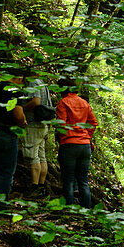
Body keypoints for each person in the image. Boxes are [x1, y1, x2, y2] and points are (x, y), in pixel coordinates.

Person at [0, 70, 30, 216]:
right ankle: (0, 208)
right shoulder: (14, 92)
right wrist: (23, 122)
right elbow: (18, 115)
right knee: (6, 173)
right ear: (18, 78)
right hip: (6, 133)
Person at [55, 79, 98, 208]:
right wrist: (86, 137)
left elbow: (61, 125)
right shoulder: (84, 103)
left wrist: (64, 137)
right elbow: (93, 123)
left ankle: (69, 210)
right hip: (85, 146)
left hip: (69, 145)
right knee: (83, 180)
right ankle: (87, 211)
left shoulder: (63, 103)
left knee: (68, 180)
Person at [20, 72, 53, 197]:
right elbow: (49, 106)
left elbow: (36, 101)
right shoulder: (43, 84)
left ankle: (34, 187)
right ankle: (41, 186)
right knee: (41, 156)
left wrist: (21, 108)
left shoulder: (33, 83)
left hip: (33, 124)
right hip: (43, 124)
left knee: (33, 156)